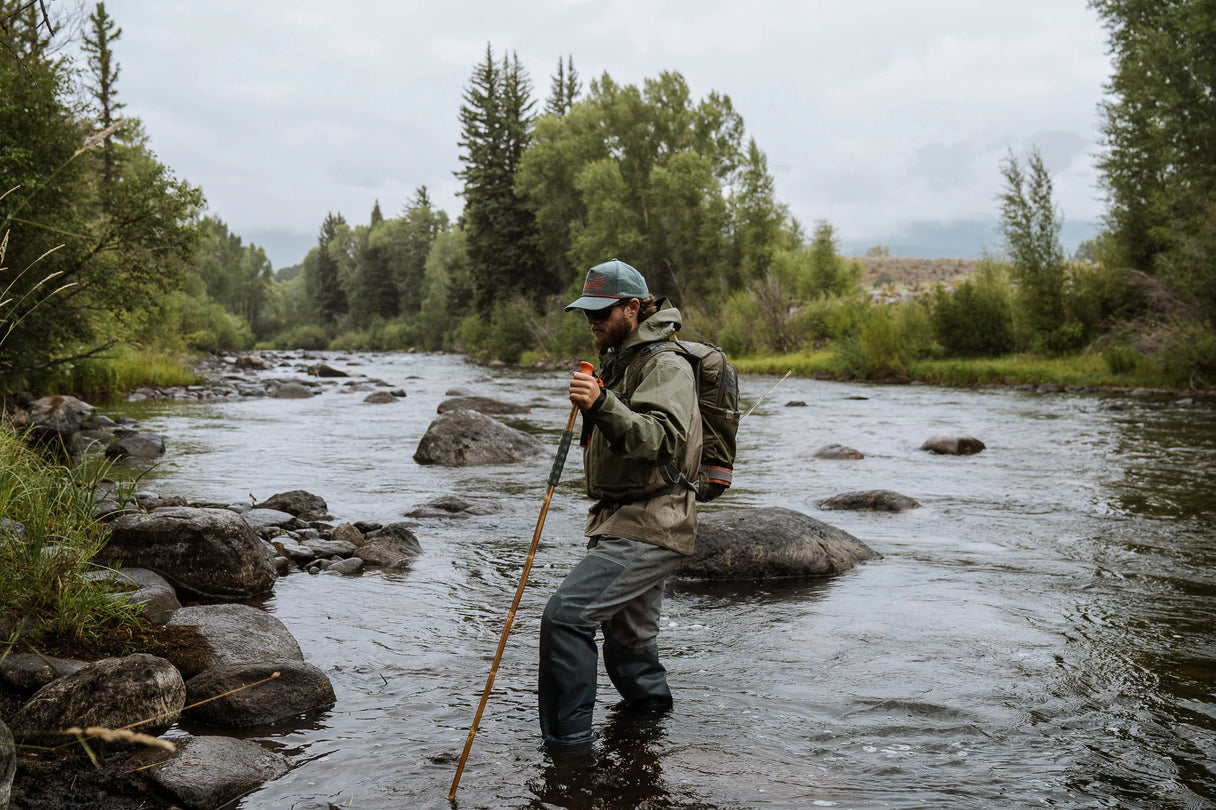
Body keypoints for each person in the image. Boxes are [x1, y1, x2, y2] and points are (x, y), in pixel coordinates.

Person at [538, 258, 702, 753]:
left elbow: (659, 439)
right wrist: (602, 397)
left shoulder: (666, 365)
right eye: (586, 311)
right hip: (623, 518)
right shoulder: (622, 360)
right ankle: (648, 730)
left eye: (602, 311)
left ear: (633, 308)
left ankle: (568, 753)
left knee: (566, 617)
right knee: (630, 639)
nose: (591, 320)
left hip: (654, 522)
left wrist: (601, 402)